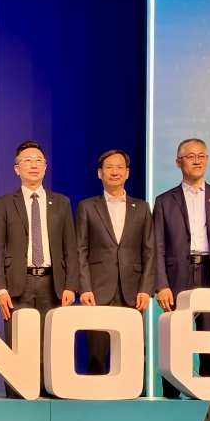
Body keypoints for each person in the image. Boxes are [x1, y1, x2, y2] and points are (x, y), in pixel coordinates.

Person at [153, 138, 210, 398]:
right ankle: (171, 398)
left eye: (202, 156)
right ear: (178, 162)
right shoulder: (164, 200)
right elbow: (157, 246)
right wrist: (161, 285)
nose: (197, 160)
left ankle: (209, 396)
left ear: (208, 161)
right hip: (177, 276)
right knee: (175, 341)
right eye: (190, 156)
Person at [0, 140, 78, 397]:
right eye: (27, 160)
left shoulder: (61, 202)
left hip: (53, 283)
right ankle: (17, 397)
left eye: (39, 160)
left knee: (51, 344)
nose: (33, 165)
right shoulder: (6, 202)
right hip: (18, 283)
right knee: (17, 344)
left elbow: (70, 247)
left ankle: (49, 395)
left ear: (45, 167)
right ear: (17, 168)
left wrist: (71, 285)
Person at [76, 149, 154, 375]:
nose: (114, 172)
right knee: (96, 356)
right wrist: (85, 287)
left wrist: (146, 289)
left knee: (131, 356)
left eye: (120, 167)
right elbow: (79, 250)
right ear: (99, 173)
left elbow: (150, 251)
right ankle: (96, 394)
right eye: (109, 167)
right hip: (97, 291)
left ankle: (130, 394)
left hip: (133, 292)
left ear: (127, 173)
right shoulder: (87, 207)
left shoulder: (142, 208)